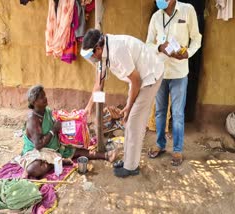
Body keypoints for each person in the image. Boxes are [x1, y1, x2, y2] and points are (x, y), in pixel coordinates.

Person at [81, 29, 167, 177]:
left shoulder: (116, 51)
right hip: (138, 79)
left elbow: (137, 80)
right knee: (128, 120)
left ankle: (131, 167)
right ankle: (128, 160)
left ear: (99, 48)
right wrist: (89, 107)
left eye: (91, 55)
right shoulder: (103, 54)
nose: (91, 59)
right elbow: (98, 84)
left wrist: (129, 105)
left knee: (134, 121)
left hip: (149, 77)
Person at [17, 85, 117, 178]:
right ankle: (56, 163)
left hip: (52, 146)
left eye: (45, 95)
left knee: (75, 150)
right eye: (41, 97)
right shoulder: (33, 120)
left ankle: (106, 155)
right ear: (34, 102)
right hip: (37, 150)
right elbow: (38, 145)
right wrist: (53, 129)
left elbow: (55, 122)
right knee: (33, 169)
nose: (45, 98)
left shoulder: (46, 110)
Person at [146, 0, 202, 166]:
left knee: (177, 114)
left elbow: (196, 38)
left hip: (179, 72)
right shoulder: (156, 17)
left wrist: (188, 53)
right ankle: (160, 144)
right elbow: (147, 43)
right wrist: (159, 48)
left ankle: (177, 150)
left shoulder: (187, 10)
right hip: (160, 71)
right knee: (160, 111)